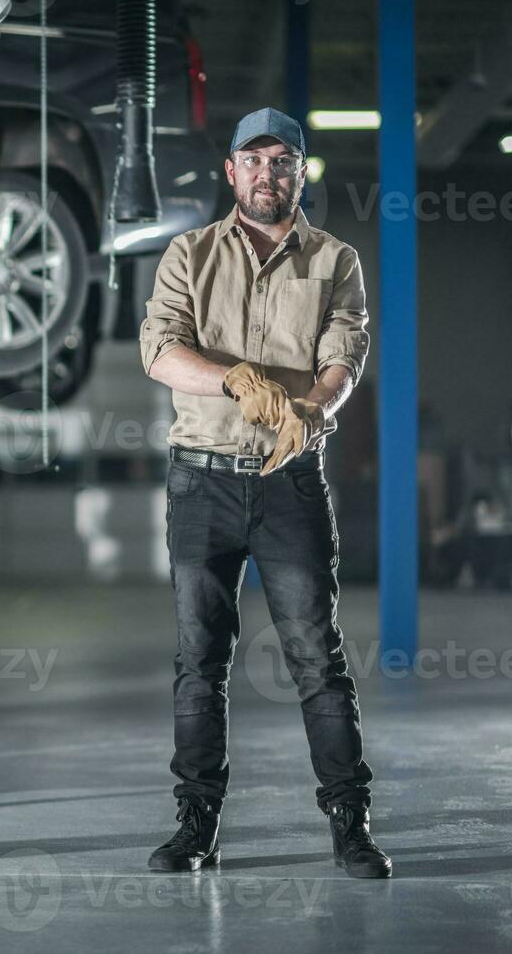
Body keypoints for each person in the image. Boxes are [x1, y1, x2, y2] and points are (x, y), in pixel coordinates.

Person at [138, 107, 391, 879]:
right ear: (231, 173)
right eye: (254, 161)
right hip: (201, 479)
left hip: (289, 482)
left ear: (299, 173)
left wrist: (319, 406)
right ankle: (196, 828)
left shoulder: (334, 259)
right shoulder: (188, 253)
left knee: (317, 657)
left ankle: (350, 827)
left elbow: (344, 352)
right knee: (198, 660)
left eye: (284, 162)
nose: (268, 175)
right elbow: (159, 348)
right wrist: (232, 377)